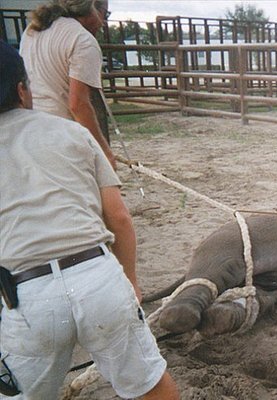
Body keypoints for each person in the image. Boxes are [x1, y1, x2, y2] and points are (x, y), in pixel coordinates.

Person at [0, 42, 179, 399]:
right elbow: (119, 218)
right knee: (151, 385)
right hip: (98, 276)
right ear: (22, 90)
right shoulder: (73, 133)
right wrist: (129, 280)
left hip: (28, 293)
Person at [19, 0, 116, 168]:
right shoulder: (83, 40)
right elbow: (78, 104)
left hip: (30, 131)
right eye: (104, 14)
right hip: (62, 137)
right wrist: (104, 152)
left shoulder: (33, 30)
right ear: (92, 7)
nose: (103, 22)